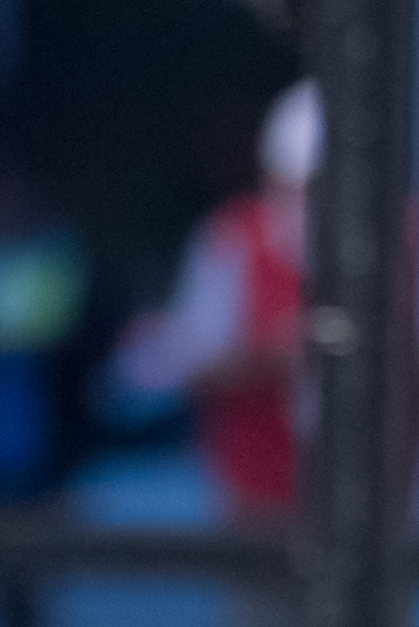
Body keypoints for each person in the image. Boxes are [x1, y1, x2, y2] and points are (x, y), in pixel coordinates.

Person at [110, 78, 322, 519]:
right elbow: (191, 360)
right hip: (256, 498)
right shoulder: (230, 240)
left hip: (373, 503)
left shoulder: (397, 242)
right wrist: (276, 351)